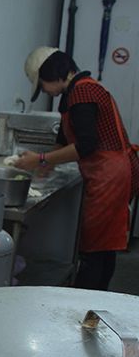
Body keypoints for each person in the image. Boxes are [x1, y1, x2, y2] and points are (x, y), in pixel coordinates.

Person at [15, 47, 135, 290]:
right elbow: (64, 137)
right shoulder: (74, 93)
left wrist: (41, 159)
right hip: (108, 172)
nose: (46, 90)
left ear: (54, 74)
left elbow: (86, 145)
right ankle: (95, 295)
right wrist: (47, 161)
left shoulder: (83, 92)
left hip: (109, 174)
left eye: (44, 85)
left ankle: (90, 299)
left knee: (96, 246)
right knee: (103, 244)